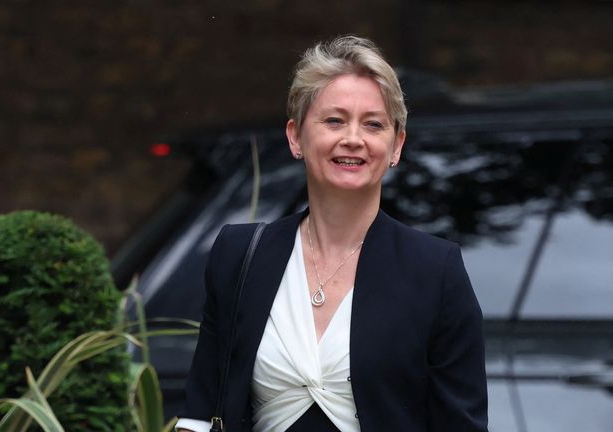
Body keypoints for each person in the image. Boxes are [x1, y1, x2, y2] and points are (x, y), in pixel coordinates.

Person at [176, 35, 487, 432]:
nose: (353, 138)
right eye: (334, 120)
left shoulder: (436, 271)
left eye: (373, 124)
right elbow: (198, 417)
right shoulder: (238, 255)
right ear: (295, 136)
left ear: (396, 145)